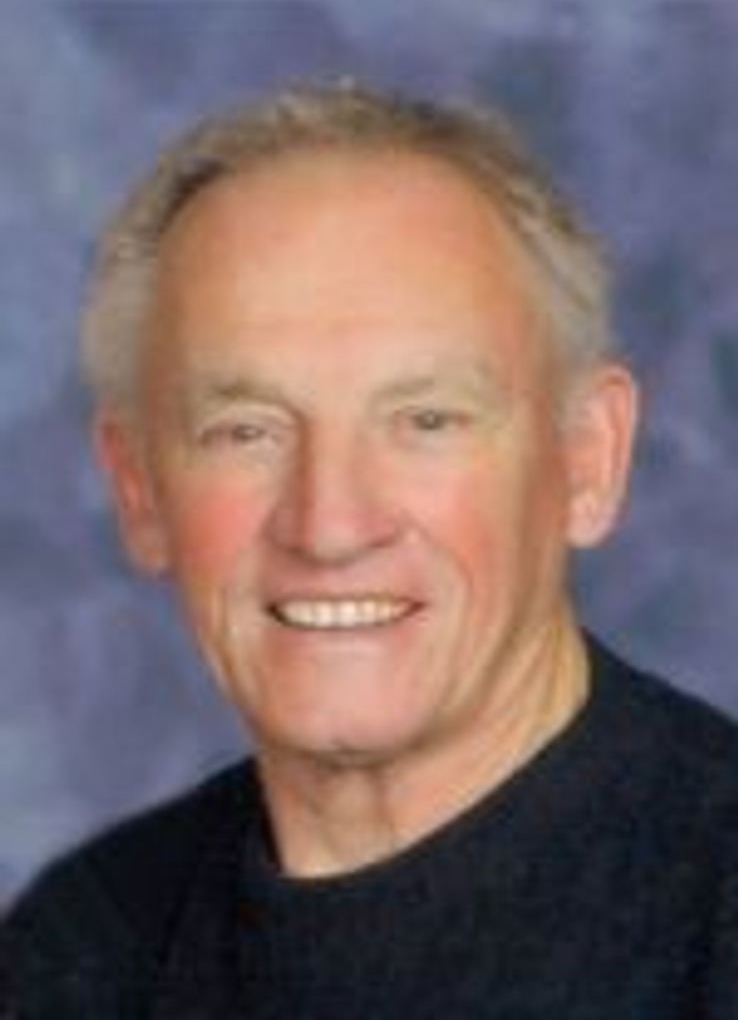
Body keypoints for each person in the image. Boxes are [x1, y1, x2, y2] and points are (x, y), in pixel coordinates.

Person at [3, 80, 738, 1018]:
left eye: (426, 420)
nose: (330, 526)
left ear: (588, 460)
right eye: (246, 430)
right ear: (138, 487)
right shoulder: (82, 948)